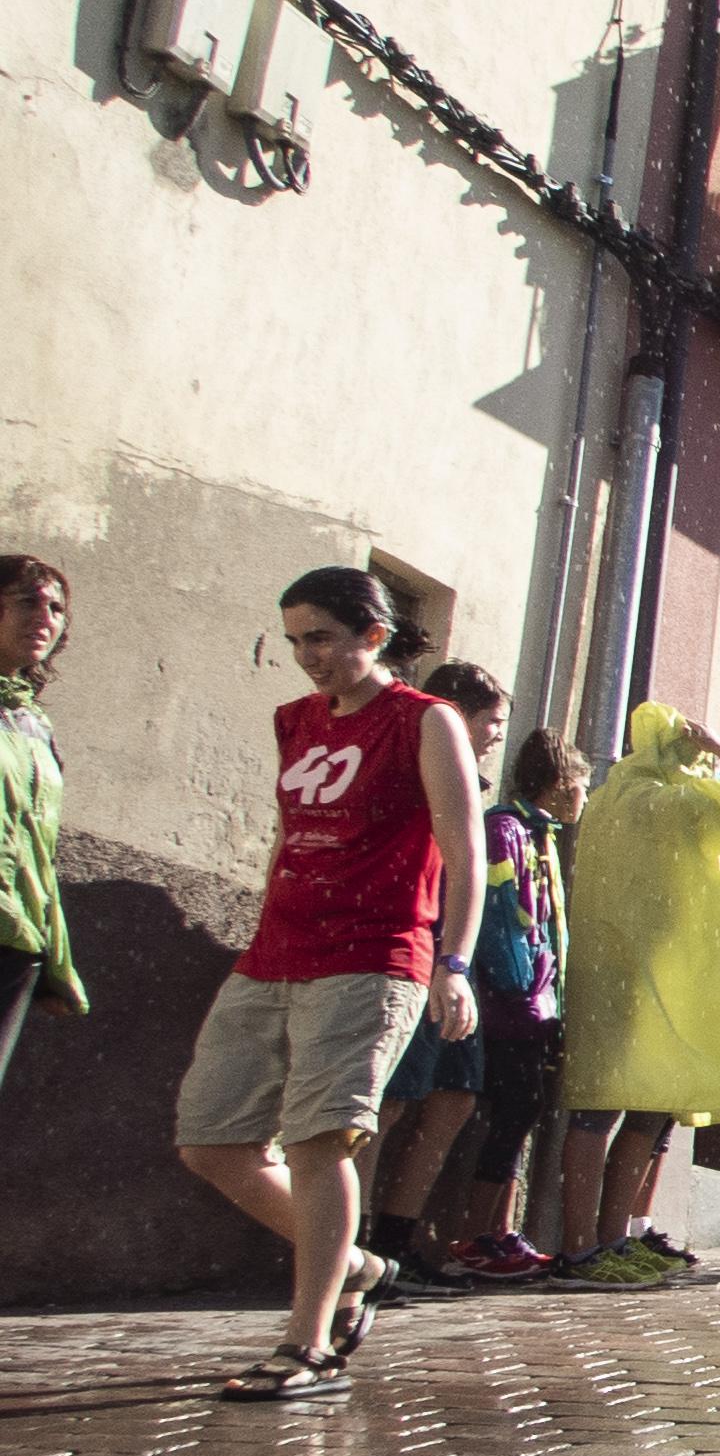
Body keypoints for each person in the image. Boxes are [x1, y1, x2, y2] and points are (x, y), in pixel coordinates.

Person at [173, 566, 485, 1401]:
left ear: (372, 635)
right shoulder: (295, 722)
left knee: (319, 1142)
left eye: (322, 637)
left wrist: (454, 965)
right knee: (212, 1141)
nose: (307, 656)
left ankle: (307, 1343)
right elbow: (287, 839)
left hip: (374, 957)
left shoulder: (426, 722)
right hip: (276, 953)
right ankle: (357, 1265)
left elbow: (465, 853)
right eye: (296, 640)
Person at [550, 715, 720, 1292]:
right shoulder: (678, 801)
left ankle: (602, 1243)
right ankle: (586, 1248)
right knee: (619, 1109)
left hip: (627, 975)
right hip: (646, 977)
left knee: (627, 1107)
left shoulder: (615, 796)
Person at [362, 661, 517, 1295]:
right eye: (491, 722)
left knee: (452, 1099)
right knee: (389, 1105)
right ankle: (358, 1251)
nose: (495, 736)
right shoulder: (414, 763)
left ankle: (399, 1244)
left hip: (457, 964)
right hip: (411, 953)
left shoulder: (471, 785)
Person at [436, 728, 580, 1276]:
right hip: (508, 1006)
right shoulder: (507, 830)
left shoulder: (537, 833)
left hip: (531, 1005)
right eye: (581, 786)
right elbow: (504, 921)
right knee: (509, 1112)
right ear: (563, 783)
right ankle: (477, 1236)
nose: (583, 800)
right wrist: (523, 990)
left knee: (520, 1112)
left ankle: (499, 1233)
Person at [0, 554, 83, 1104]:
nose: (46, 618)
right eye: (28, 601)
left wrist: (56, 961)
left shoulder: (33, 722)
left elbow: (37, 845)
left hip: (13, 942)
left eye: (56, 607)